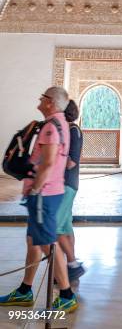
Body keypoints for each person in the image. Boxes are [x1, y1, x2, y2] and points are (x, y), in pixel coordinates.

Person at [0, 87, 78, 312]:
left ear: (50, 102)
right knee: (34, 241)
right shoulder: (59, 122)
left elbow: (48, 163)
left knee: (47, 243)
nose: (40, 99)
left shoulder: (51, 127)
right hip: (47, 193)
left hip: (44, 194)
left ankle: (65, 295)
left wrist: (34, 190)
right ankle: (25, 290)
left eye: (43, 97)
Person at [56, 99, 85, 281]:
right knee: (65, 225)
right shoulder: (68, 130)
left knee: (56, 227)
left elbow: (71, 162)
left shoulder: (73, 131)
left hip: (67, 183)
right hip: (65, 184)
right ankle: (67, 265)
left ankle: (71, 265)